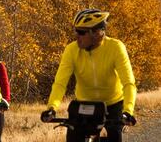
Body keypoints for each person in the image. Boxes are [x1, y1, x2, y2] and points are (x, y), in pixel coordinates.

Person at [41, 9, 138, 142]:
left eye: (81, 32)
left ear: (97, 33)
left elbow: (128, 83)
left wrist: (128, 111)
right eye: (76, 31)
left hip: (113, 103)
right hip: (83, 104)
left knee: (114, 135)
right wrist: (52, 108)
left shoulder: (115, 48)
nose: (76, 36)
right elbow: (60, 83)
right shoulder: (71, 50)